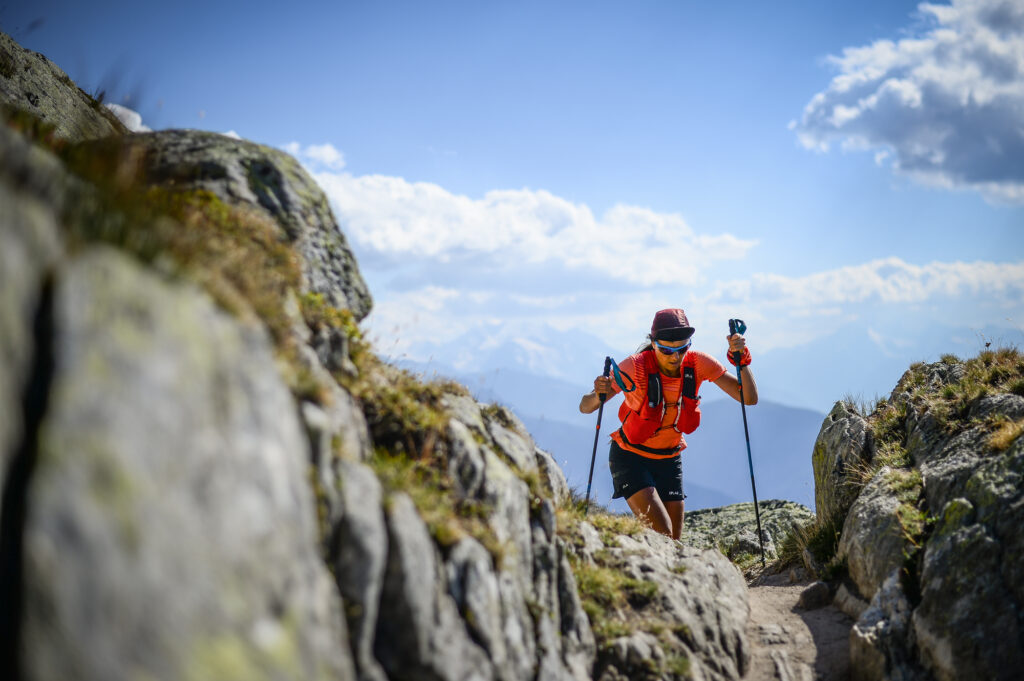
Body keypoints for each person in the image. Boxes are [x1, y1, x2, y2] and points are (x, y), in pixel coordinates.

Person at [578, 308, 757, 539]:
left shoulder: (698, 363)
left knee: (673, 541)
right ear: (653, 343)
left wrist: (741, 359)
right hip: (630, 456)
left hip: (670, 459)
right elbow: (586, 406)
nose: (675, 356)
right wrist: (597, 393)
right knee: (662, 534)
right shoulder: (634, 367)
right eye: (666, 350)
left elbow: (749, 398)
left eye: (682, 348)